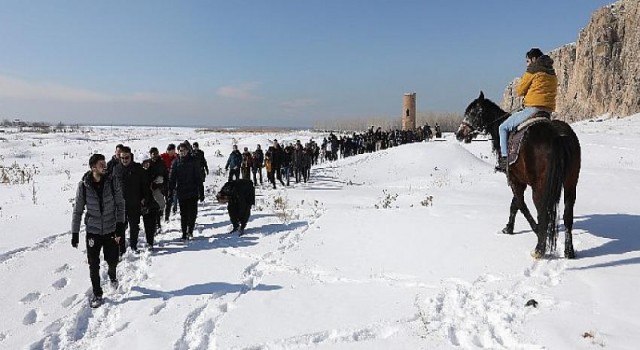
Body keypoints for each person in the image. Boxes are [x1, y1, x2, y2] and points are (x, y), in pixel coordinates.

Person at [71, 153, 125, 308]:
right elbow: (78, 210)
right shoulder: (83, 186)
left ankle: (112, 275)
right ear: (93, 167)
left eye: (104, 163)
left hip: (111, 229)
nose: (105, 166)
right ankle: (97, 293)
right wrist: (75, 233)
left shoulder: (112, 181)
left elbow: (120, 204)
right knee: (93, 264)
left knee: (112, 260)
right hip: (93, 231)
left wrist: (120, 225)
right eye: (101, 164)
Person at [496, 48, 557, 172]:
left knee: (503, 128)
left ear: (534, 59)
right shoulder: (552, 73)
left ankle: (504, 160)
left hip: (532, 109)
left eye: (527, 61)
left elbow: (519, 91)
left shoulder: (533, 71)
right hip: (547, 112)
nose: (527, 64)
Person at [112, 146, 149, 254]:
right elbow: (112, 186)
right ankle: (121, 248)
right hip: (120, 204)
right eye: (122, 158)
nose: (124, 160)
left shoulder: (138, 169)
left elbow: (145, 185)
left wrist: (144, 198)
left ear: (130, 157)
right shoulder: (116, 169)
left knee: (134, 226)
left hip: (134, 203)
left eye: (126, 158)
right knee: (120, 227)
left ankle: (133, 245)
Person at [168, 142, 205, 240]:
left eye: (184, 150)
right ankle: (184, 233)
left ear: (188, 151)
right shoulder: (175, 163)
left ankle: (190, 231)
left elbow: (198, 177)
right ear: (178, 151)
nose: (182, 152)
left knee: (192, 213)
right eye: (180, 150)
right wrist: (170, 192)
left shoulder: (193, 161)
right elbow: (172, 179)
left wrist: (201, 191)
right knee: (183, 213)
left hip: (193, 191)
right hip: (181, 191)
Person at [140, 154, 161, 250]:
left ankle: (150, 241)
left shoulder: (154, 171)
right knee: (146, 222)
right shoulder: (138, 174)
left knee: (152, 222)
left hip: (154, 200)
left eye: (147, 162)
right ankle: (149, 241)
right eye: (144, 163)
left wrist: (158, 183)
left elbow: (162, 182)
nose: (146, 164)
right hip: (144, 201)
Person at [160, 144, 178, 220]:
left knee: (169, 199)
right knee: (161, 199)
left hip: (172, 181)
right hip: (162, 181)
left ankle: (167, 216)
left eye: (174, 150)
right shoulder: (163, 156)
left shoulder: (176, 157)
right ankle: (160, 214)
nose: (174, 152)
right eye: (173, 150)